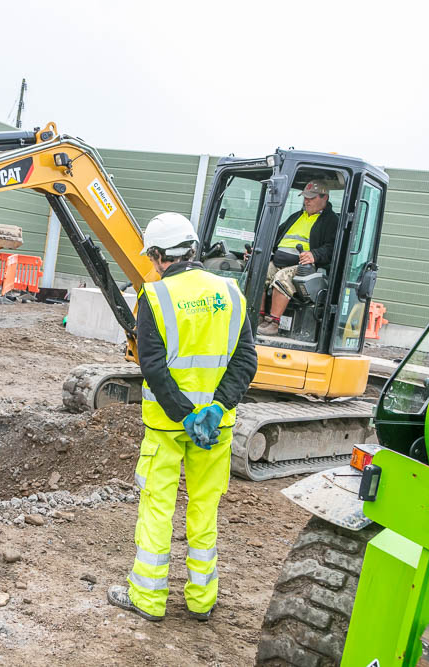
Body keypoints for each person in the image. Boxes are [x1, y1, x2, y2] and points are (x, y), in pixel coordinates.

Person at [107, 212, 258, 623]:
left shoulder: (154, 297)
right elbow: (245, 361)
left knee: (158, 507)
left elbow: (152, 368)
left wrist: (185, 414)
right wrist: (215, 408)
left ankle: (149, 598)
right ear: (193, 249)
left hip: (167, 427)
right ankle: (201, 600)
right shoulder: (231, 292)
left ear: (158, 255)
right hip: (216, 428)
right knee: (204, 510)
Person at [257, 180, 338, 335]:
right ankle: (258, 316)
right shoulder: (296, 216)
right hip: (279, 260)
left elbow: (332, 247)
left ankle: (273, 322)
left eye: (311, 197)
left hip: (304, 266)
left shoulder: (331, 221)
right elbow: (275, 236)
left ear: (324, 197)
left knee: (282, 278)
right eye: (305, 197)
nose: (307, 201)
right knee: (258, 271)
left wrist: (314, 254)